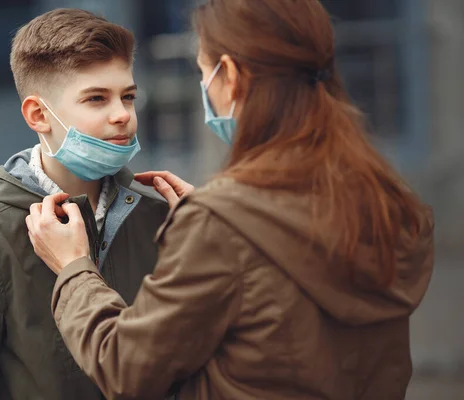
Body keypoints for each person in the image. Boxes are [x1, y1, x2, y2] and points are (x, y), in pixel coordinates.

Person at [26, 0, 434, 399]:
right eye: (97, 98)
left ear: (232, 76)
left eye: (204, 72)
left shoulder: (223, 222)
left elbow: (125, 368)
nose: (121, 114)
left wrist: (75, 269)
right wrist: (217, 224)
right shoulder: (387, 199)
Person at [0, 9, 169, 400]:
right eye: (96, 99)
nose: (122, 115)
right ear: (39, 115)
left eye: (128, 96)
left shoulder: (162, 218)